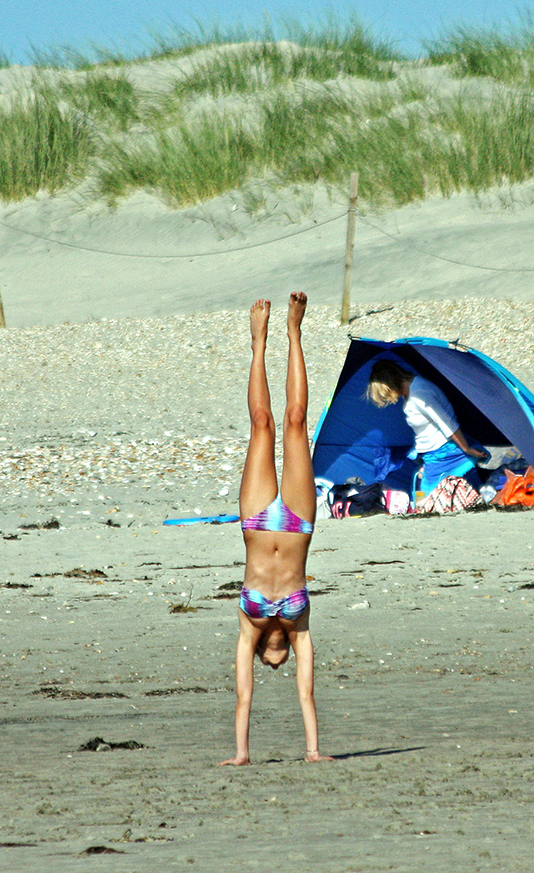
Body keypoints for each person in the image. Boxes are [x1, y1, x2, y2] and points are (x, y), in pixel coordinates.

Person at [220, 293, 333, 767]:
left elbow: (243, 697)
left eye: (275, 664)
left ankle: (260, 343)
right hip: (298, 523)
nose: (276, 665)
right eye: (280, 662)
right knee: (294, 424)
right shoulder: (298, 627)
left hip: (256, 520)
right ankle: (292, 332)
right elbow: (307, 695)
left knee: (262, 425)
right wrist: (312, 751)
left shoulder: (249, 627)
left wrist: (242, 755)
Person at [367, 359, 488, 494]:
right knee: (423, 493)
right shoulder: (409, 391)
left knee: (427, 496)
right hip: (432, 454)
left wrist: (466, 448)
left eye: (387, 394)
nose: (389, 400)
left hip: (444, 451)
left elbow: (446, 422)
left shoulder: (419, 392)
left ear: (391, 383)